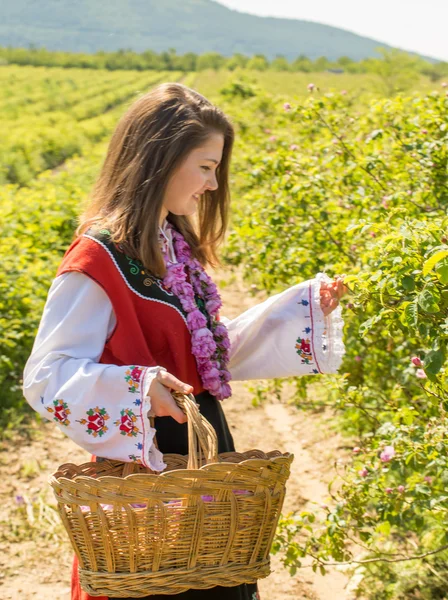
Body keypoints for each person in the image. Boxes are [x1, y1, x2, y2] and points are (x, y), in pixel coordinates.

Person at [22, 82, 347, 600]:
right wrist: (139, 386)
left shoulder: (169, 245)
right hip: (149, 472)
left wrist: (299, 311)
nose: (213, 184)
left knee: (212, 577)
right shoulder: (97, 262)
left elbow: (199, 353)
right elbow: (46, 377)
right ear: (160, 158)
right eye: (205, 166)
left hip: (201, 454)